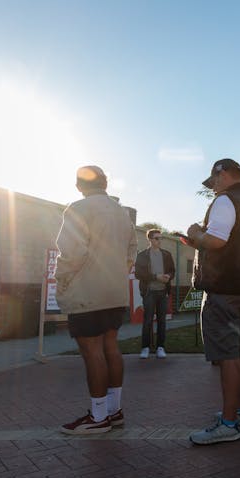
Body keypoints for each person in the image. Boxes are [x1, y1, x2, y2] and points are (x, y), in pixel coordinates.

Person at [55, 165, 137, 435]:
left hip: (86, 291)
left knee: (92, 352)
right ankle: (114, 411)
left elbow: (72, 252)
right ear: (105, 183)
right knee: (110, 347)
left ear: (79, 186)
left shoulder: (78, 209)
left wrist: (62, 278)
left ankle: (98, 416)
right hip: (115, 291)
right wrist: (117, 273)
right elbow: (131, 251)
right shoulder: (123, 213)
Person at [186, 158, 240, 445]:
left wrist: (196, 234)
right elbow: (230, 242)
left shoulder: (225, 201)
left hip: (223, 291)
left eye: (215, 180)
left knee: (228, 356)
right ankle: (238, 411)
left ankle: (228, 423)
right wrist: (201, 241)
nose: (213, 188)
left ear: (226, 175)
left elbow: (217, 241)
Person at [134, 228, 175, 359]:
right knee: (147, 321)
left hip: (163, 292)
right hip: (149, 292)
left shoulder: (167, 254)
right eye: (157, 238)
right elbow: (138, 274)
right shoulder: (142, 255)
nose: (160, 240)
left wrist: (168, 276)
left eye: (160, 238)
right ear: (150, 239)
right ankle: (145, 348)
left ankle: (160, 347)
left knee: (162, 321)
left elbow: (172, 270)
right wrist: (155, 277)